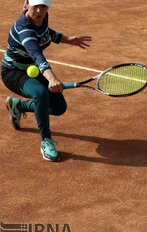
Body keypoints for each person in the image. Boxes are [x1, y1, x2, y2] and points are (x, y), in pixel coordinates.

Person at [1, 0, 92, 162]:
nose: (39, 11)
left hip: (32, 69)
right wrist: (52, 79)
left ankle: (19, 105)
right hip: (13, 72)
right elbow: (37, 55)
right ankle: (46, 141)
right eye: (35, 6)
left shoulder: (42, 18)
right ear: (27, 3)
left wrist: (67, 39)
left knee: (58, 107)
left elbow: (46, 33)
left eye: (43, 6)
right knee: (41, 93)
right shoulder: (24, 30)